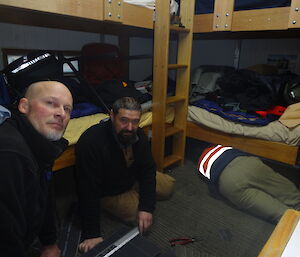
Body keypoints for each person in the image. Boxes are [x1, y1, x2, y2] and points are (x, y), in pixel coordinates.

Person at [75, 96, 175, 253]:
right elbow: (87, 189)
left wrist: (147, 207)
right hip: (108, 190)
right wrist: (91, 233)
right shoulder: (91, 143)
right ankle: (130, 199)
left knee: (168, 186)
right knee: (136, 216)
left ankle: (137, 195)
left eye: (135, 121)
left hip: (130, 177)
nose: (130, 127)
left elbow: (148, 169)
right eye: (123, 120)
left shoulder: (138, 135)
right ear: (112, 116)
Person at [0, 80, 73, 257]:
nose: (61, 113)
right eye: (51, 103)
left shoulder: (40, 145)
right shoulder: (9, 155)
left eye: (67, 109)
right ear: (24, 106)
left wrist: (49, 242)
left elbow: (44, 194)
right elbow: (5, 238)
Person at [198, 144, 300, 224]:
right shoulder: (221, 146)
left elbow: (213, 189)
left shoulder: (201, 167)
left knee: (281, 214)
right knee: (291, 194)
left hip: (228, 180)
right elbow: (241, 152)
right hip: (248, 164)